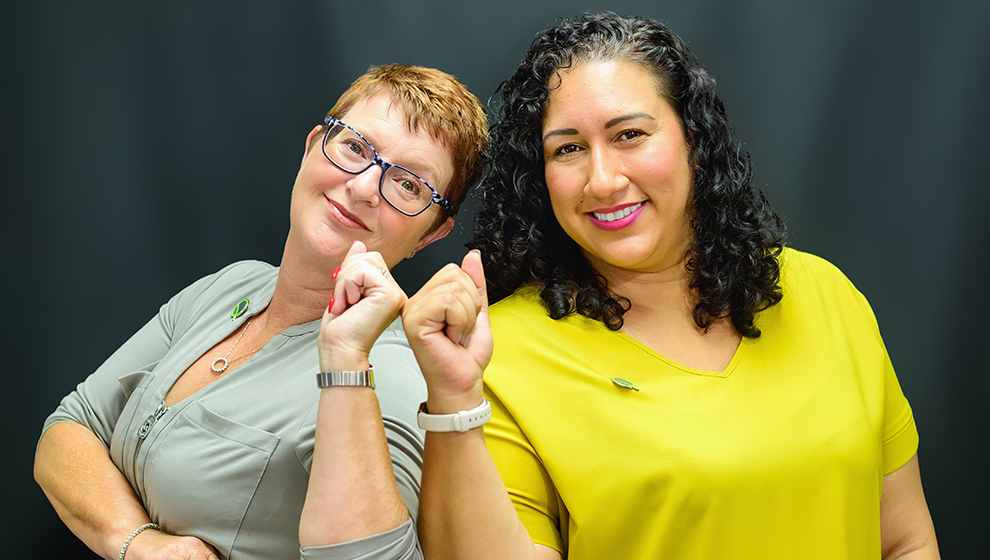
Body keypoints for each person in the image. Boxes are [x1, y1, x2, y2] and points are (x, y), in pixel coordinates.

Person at [401, 13, 940, 560]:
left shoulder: (826, 295)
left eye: (629, 135)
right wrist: (453, 401)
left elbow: (906, 541)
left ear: (695, 140)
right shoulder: (498, 357)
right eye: (568, 149)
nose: (604, 180)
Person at [34, 64, 488, 560]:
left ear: (431, 235)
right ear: (313, 145)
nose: (361, 188)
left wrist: (345, 362)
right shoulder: (233, 285)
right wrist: (140, 544)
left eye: (407, 184)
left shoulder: (390, 378)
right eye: (356, 148)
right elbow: (69, 428)